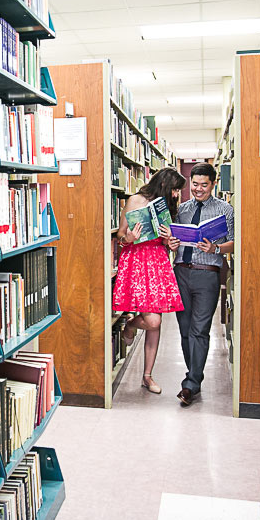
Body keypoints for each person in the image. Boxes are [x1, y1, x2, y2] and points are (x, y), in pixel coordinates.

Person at [112, 168, 186, 394]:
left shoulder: (167, 208)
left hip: (157, 263)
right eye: (174, 189)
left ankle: (147, 375)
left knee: (155, 322)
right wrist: (129, 238)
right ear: (163, 185)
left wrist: (169, 242)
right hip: (135, 261)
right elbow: (120, 236)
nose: (176, 195)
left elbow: (168, 242)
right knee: (152, 321)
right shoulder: (135, 200)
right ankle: (131, 325)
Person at [168, 163, 234, 406]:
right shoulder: (181, 209)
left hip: (207, 274)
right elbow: (171, 237)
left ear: (213, 184)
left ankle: (191, 383)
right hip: (181, 273)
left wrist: (216, 247)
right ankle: (193, 375)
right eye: (194, 184)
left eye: (203, 185)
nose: (198, 189)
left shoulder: (225, 210)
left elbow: (235, 242)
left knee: (199, 330)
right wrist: (171, 244)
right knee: (185, 330)